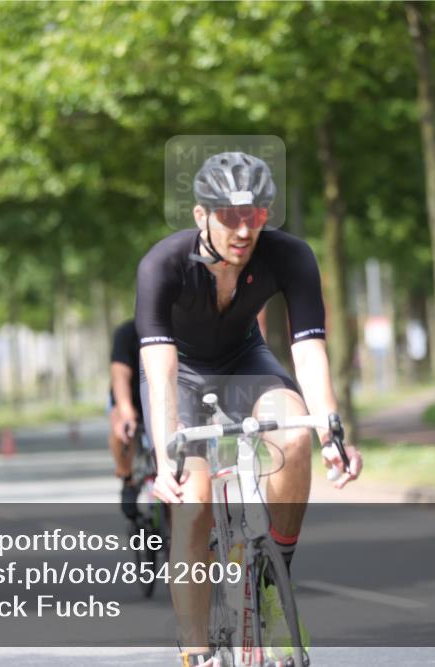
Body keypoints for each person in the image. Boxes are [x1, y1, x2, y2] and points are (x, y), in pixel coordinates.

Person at [136, 151, 362, 666]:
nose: (244, 229)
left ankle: (272, 573)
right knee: (191, 506)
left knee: (297, 433)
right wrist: (164, 452)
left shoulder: (290, 255)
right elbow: (161, 372)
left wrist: (332, 430)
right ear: (201, 216)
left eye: (255, 215)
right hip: (185, 376)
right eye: (230, 216)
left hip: (245, 360)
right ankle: (196, 653)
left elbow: (308, 350)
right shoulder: (162, 265)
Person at [107, 319, 143, 519]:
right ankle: (127, 478)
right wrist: (127, 412)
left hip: (164, 395)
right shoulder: (127, 333)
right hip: (130, 395)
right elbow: (120, 375)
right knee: (122, 428)